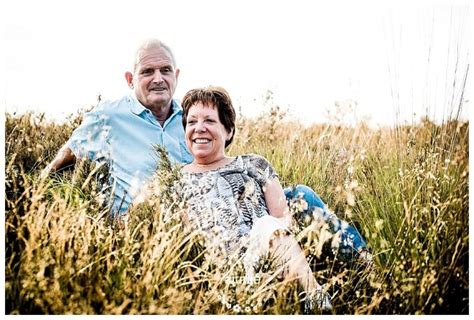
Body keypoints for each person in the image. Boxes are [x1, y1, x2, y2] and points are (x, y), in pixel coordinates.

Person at [175, 86, 332, 313]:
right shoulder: (176, 179)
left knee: (268, 224)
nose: (199, 128)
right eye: (191, 122)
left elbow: (282, 218)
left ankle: (316, 300)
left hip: (264, 259)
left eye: (209, 120)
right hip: (217, 271)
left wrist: (278, 254)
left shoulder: (253, 164)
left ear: (228, 130)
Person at [41, 38, 193, 217]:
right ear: (130, 80)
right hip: (134, 234)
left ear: (176, 76)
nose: (158, 79)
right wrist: (36, 199)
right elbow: (66, 157)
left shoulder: (192, 118)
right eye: (147, 72)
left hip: (191, 233)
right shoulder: (108, 116)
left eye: (165, 70)